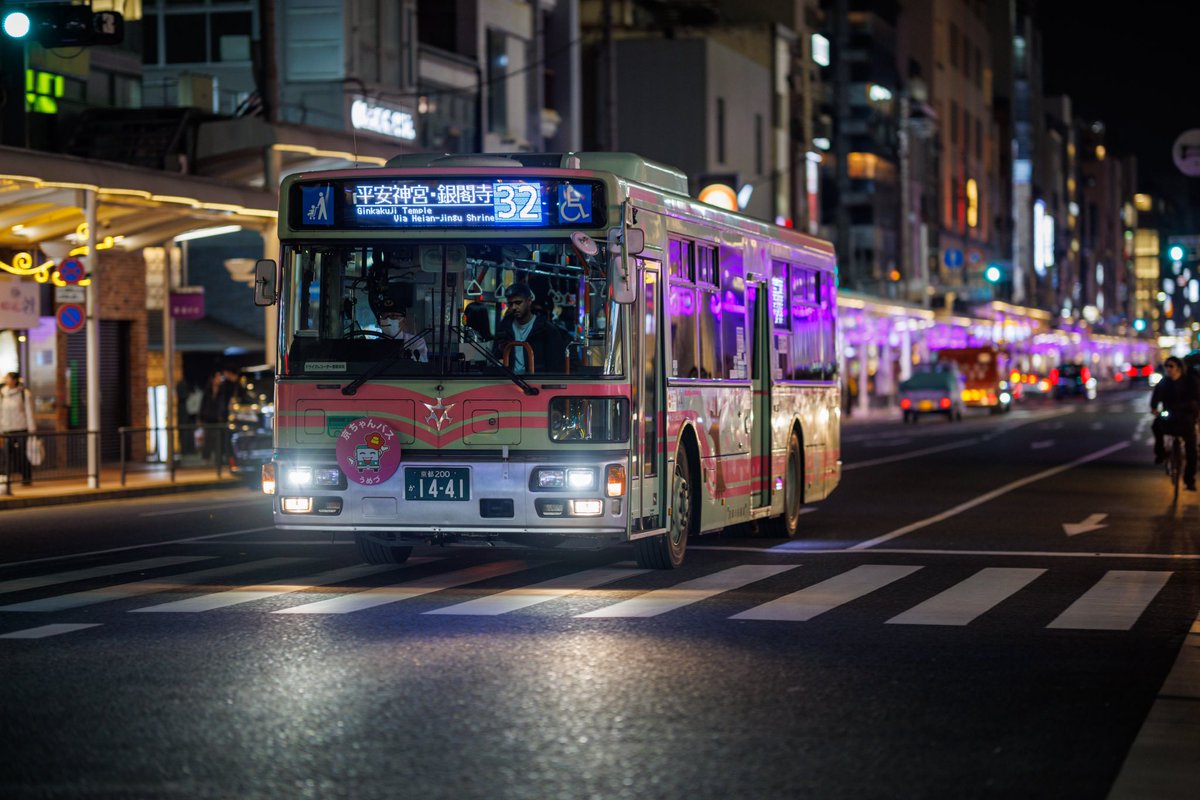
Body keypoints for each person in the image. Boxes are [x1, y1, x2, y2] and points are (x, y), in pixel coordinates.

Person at [493, 283, 567, 374]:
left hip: (535, 382)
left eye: (518, 303)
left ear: (529, 301)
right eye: (510, 304)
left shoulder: (546, 330)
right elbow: (495, 357)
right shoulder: (504, 328)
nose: (514, 307)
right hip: (510, 380)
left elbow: (555, 364)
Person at [1150, 356, 1200, 490]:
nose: (1168, 369)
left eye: (1171, 366)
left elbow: (1196, 397)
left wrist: (1194, 410)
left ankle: (1189, 480)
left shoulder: (1189, 381)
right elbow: (1156, 397)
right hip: (1169, 416)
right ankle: (1160, 453)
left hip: (1186, 418)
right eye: (1166, 366)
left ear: (1178, 368)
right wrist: (1154, 408)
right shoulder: (1164, 382)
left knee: (1192, 452)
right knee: (1156, 425)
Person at [1, 371, 37, 485]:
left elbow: (29, 412)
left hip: (21, 428)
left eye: (8, 378)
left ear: (15, 380)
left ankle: (26, 478)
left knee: (22, 454)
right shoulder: (2, 394)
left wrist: (32, 430)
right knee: (5, 454)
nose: (6, 380)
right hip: (6, 429)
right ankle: (6, 480)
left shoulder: (24, 393)